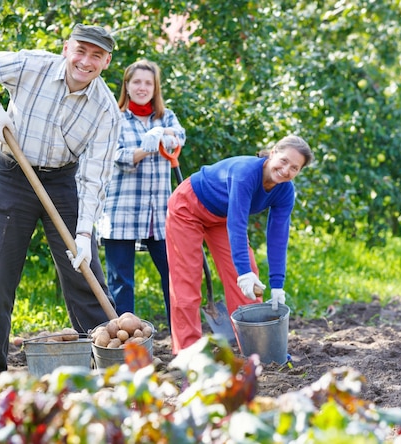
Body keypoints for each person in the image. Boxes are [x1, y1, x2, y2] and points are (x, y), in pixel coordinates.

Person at [0, 24, 122, 381]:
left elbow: (95, 177)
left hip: (63, 182)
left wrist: (83, 234)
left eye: (96, 55)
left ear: (106, 62)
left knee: (82, 270)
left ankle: (107, 358)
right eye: (81, 50)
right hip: (12, 174)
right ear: (67, 48)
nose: (86, 61)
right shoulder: (30, 65)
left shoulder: (105, 111)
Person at [165, 135, 314, 353]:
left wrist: (277, 283)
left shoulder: (285, 191)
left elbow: (278, 236)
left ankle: (256, 348)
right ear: (273, 153)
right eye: (283, 161)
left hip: (222, 217)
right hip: (188, 207)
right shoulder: (246, 174)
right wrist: (242, 271)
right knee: (186, 282)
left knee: (248, 284)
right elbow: (238, 223)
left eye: (294, 168)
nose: (285, 170)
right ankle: (188, 353)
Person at [99, 60, 186, 329]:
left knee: (174, 274)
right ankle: (127, 342)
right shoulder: (114, 117)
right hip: (122, 210)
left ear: (155, 87)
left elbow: (180, 136)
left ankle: (180, 339)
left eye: (148, 83)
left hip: (159, 212)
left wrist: (162, 132)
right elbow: (115, 155)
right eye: (136, 82)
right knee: (121, 281)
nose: (142, 87)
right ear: (126, 85)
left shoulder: (166, 117)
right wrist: (146, 147)